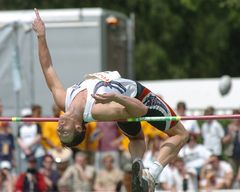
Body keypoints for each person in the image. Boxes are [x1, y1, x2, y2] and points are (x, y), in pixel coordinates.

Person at [32, 8, 189, 192]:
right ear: (78, 127)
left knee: (137, 139)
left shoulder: (63, 99)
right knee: (181, 134)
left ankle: (138, 163)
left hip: (122, 104)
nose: (59, 128)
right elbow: (140, 111)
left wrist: (41, 36)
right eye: (64, 132)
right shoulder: (98, 109)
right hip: (137, 98)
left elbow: (48, 68)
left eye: (60, 132)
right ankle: (151, 175)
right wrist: (117, 97)